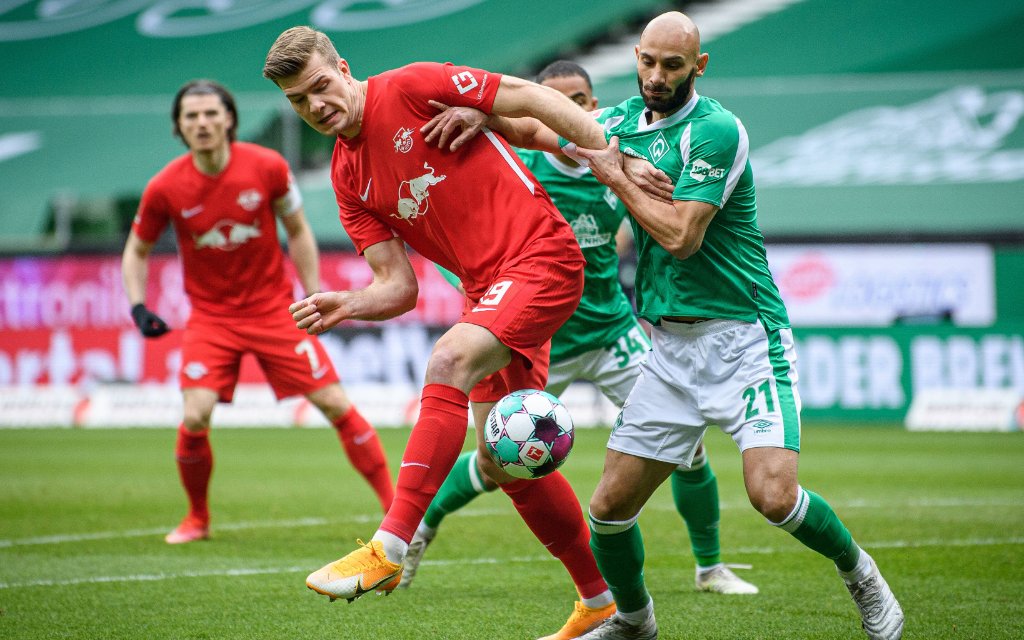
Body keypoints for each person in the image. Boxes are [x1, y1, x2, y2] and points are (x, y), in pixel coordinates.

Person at [423, 12, 905, 640]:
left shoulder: (715, 132)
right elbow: (546, 132)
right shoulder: (621, 121)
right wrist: (486, 117)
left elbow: (680, 237)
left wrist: (613, 173)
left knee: (773, 497)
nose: (655, 75)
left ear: (698, 67)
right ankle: (633, 622)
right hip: (670, 349)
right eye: (647, 61)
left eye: (671, 65)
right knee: (609, 509)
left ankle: (861, 574)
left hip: (745, 340)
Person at [261, 25, 670, 638]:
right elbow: (399, 288)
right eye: (298, 101)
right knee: (506, 463)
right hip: (489, 291)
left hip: (543, 257)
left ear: (343, 68)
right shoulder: (348, 178)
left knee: (448, 359)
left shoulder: (411, 85)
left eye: (320, 86)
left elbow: (529, 98)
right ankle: (602, 602)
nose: (316, 106)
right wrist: (347, 303)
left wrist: (605, 152)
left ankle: (390, 547)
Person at [400, 61, 759, 612]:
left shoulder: (621, 164)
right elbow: (464, 256)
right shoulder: (514, 170)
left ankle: (710, 567)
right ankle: (420, 529)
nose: (578, 112)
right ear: (537, 108)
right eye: (559, 100)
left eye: (584, 100)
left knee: (687, 447)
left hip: (613, 330)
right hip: (539, 339)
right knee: (499, 463)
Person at [121, 79, 395, 545]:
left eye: (211, 113)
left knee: (334, 404)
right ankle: (197, 518)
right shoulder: (165, 186)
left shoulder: (267, 167)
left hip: (274, 310)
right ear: (179, 127)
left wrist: (313, 293)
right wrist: (138, 306)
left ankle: (396, 513)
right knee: (196, 415)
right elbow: (136, 251)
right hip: (211, 318)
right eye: (192, 116)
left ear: (229, 118)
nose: (202, 123)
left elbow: (300, 231)